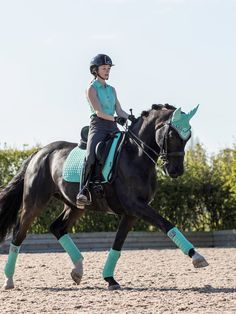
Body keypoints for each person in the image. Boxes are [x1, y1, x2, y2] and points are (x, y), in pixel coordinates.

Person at [76, 54, 136, 206]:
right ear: (95, 70)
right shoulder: (91, 89)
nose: (107, 71)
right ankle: (83, 191)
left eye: (108, 69)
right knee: (90, 155)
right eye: (104, 68)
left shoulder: (112, 89)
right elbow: (98, 112)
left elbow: (119, 110)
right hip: (98, 126)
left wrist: (132, 118)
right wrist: (116, 119)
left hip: (112, 126)